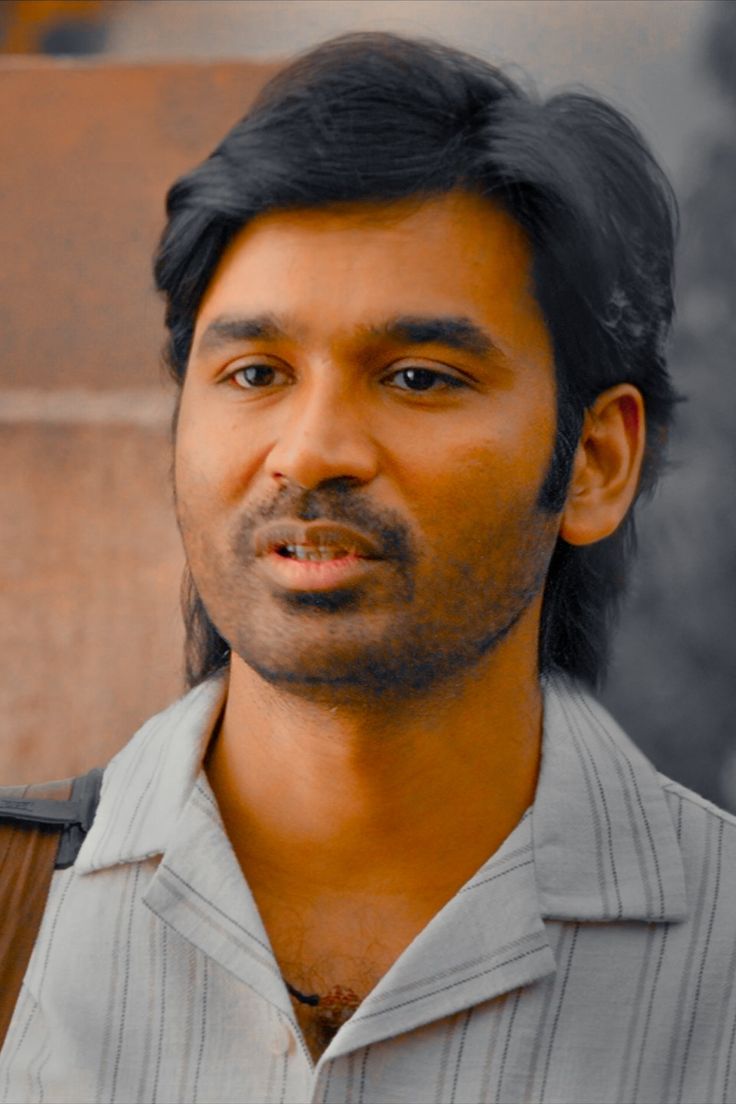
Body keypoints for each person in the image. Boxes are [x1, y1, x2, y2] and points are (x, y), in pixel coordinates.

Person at [2, 31, 735, 1104]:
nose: (310, 451)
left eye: (419, 377)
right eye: (255, 372)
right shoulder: (19, 919)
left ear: (594, 461)